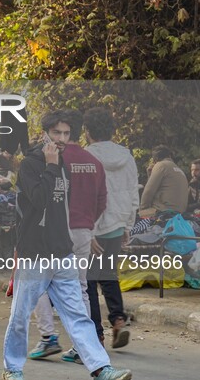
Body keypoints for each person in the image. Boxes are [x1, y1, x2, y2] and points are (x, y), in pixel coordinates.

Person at [1, 110, 131, 380]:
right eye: (56, 133)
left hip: (63, 252)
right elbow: (39, 200)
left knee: (78, 315)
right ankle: (12, 369)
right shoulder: (31, 164)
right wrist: (50, 165)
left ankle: (100, 368)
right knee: (21, 316)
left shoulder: (63, 164)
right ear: (45, 133)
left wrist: (75, 241)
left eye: (66, 133)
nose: (61, 139)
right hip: (35, 253)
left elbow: (63, 209)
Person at [28, 110, 107, 362]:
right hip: (83, 232)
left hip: (53, 231)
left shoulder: (51, 159)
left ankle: (48, 337)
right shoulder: (93, 161)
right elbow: (102, 201)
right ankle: (84, 346)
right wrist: (87, 225)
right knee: (80, 289)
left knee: (38, 284)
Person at [83, 107, 139, 350]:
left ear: (87, 131)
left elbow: (86, 196)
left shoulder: (86, 156)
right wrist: (128, 225)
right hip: (117, 225)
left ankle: (97, 334)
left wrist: (90, 230)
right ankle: (117, 319)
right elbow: (132, 192)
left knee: (88, 281)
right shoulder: (126, 156)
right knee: (109, 275)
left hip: (94, 229)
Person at [140, 145, 188, 216]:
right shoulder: (179, 170)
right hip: (180, 213)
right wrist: (150, 175)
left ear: (154, 159)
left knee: (134, 217)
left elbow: (149, 191)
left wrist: (143, 209)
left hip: (164, 211)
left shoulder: (161, 165)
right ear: (170, 156)